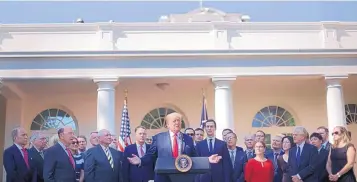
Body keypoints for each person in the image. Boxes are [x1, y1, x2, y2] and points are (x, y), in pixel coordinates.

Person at [127, 112, 222, 182]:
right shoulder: (159, 138)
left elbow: (194, 156)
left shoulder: (188, 139)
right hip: (164, 177)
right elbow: (151, 155)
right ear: (167, 125)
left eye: (179, 121)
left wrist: (207, 160)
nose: (177, 123)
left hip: (184, 177)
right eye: (174, 121)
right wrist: (140, 160)